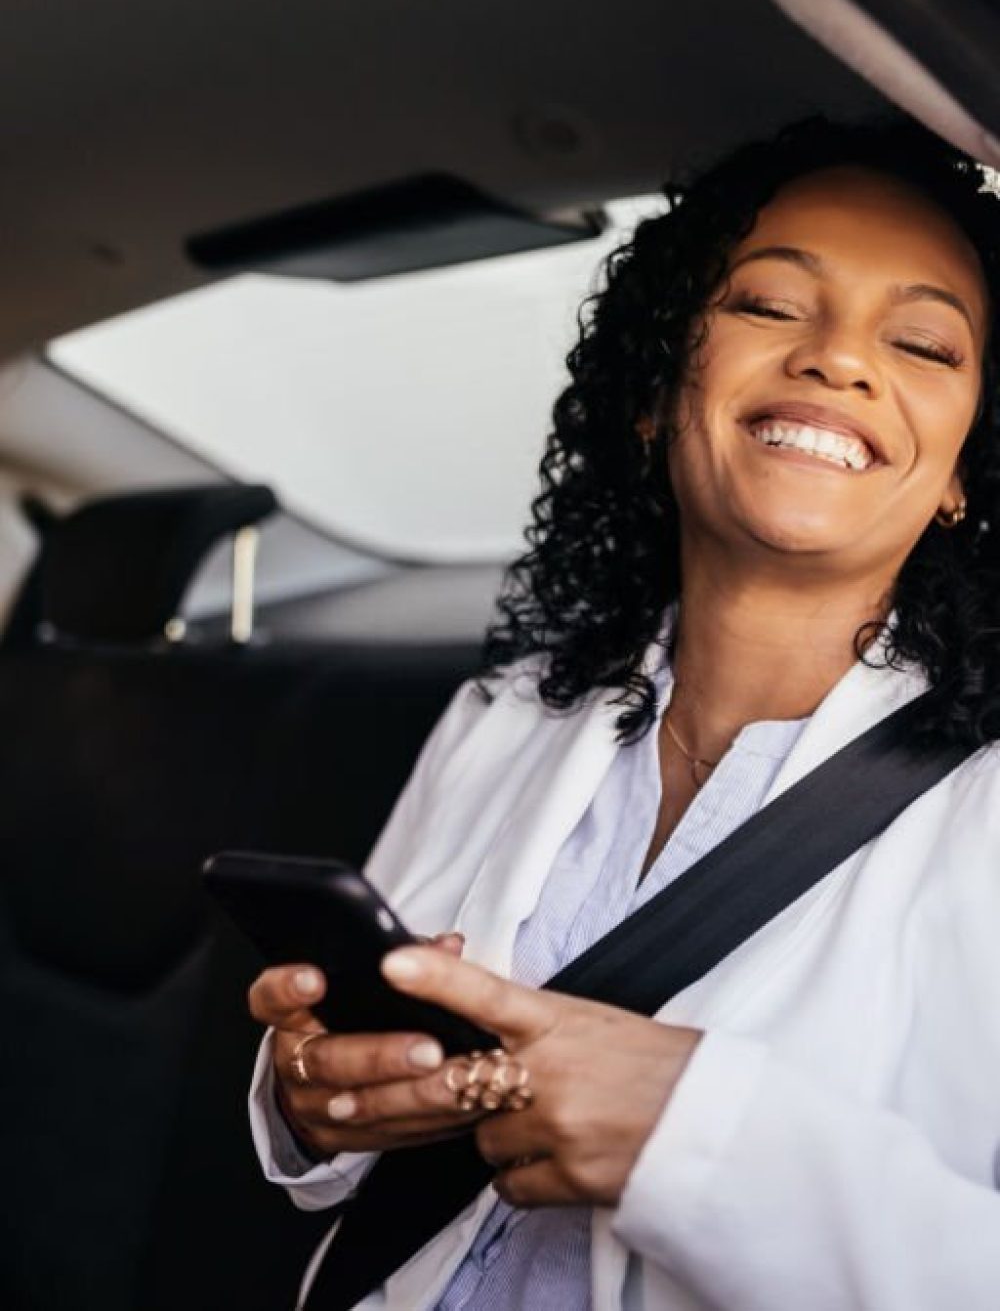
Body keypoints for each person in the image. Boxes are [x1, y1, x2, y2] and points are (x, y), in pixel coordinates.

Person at [247, 115, 1000, 1310]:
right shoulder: (502, 713)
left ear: (964, 472)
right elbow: (342, 1155)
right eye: (766, 305)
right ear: (657, 390)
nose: (837, 360)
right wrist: (312, 1096)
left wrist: (693, 1136)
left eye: (921, 341)